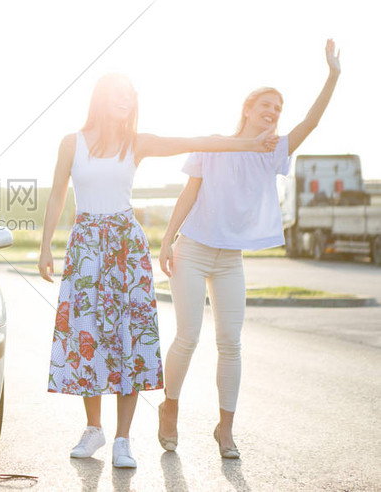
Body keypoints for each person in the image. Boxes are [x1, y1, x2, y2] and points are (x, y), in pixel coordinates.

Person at [38, 73, 278, 468]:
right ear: (101, 97)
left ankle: (122, 439)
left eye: (131, 96)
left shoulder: (137, 143)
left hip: (125, 246)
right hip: (86, 246)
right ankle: (93, 428)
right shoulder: (72, 143)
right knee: (88, 333)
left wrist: (250, 143)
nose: (127, 100)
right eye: (120, 94)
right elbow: (58, 194)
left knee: (127, 337)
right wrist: (46, 245)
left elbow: (199, 142)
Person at [157, 40, 341, 458]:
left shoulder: (272, 153)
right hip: (194, 248)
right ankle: (170, 407)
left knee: (231, 342)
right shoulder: (214, 143)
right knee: (187, 336)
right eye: (267, 105)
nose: (274, 112)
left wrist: (333, 75)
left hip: (229, 259)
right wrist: (167, 240)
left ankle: (225, 429)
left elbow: (310, 122)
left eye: (279, 108)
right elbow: (189, 193)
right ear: (247, 108)